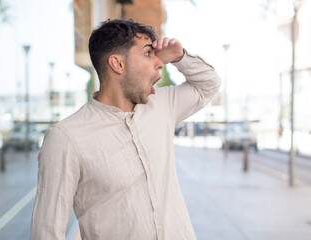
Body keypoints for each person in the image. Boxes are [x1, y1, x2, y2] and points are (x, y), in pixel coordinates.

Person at [31, 19, 221, 240]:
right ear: (117, 64)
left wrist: (180, 57)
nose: (159, 63)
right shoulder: (66, 138)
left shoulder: (162, 106)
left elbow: (208, 84)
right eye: (148, 54)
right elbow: (47, 231)